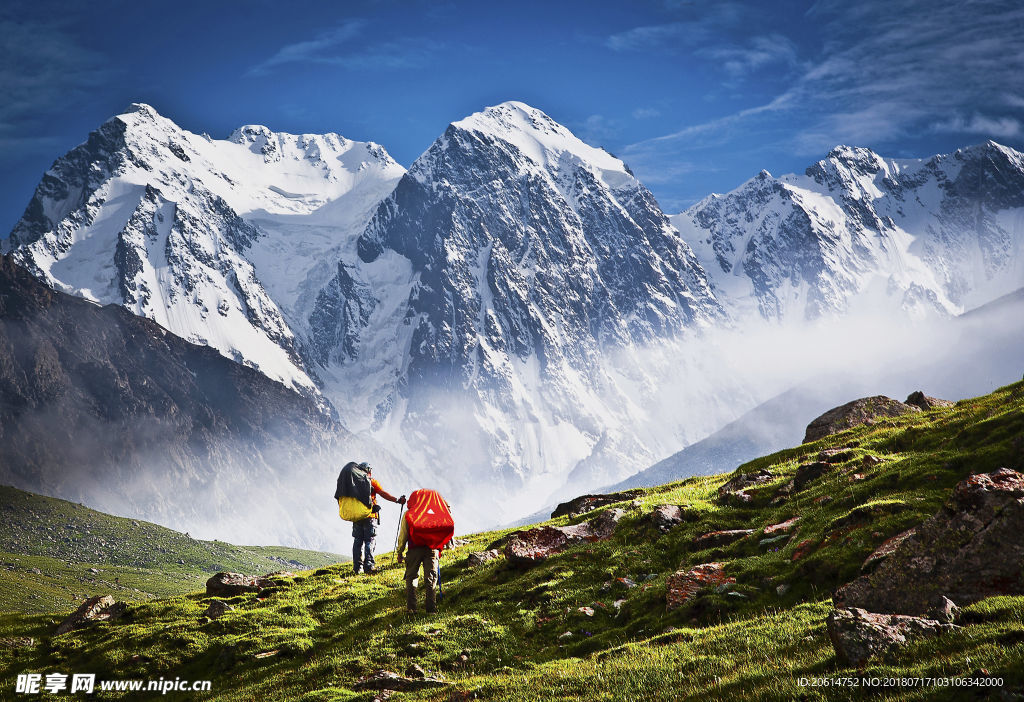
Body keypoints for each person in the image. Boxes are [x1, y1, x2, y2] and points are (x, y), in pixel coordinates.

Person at [352, 463, 405, 575]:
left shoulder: (353, 483)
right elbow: (382, 493)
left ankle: (357, 568)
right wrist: (397, 500)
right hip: (370, 517)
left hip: (357, 517)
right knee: (369, 541)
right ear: (368, 471)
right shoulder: (372, 482)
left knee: (357, 542)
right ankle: (369, 567)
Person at [395, 506, 445, 614]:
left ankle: (412, 609)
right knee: (431, 578)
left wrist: (400, 552)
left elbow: (403, 534)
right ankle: (431, 609)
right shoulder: (434, 511)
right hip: (432, 549)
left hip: (414, 549)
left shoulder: (409, 513)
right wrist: (439, 548)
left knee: (411, 577)